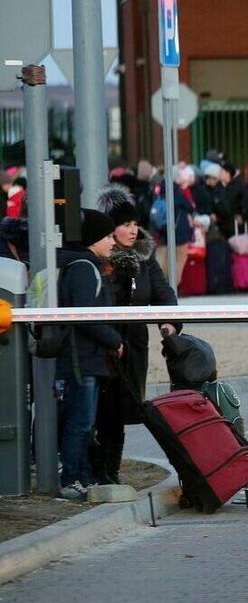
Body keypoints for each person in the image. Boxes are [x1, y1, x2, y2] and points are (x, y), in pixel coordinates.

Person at [93, 185, 179, 485]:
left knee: (121, 412)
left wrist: (169, 323)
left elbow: (163, 293)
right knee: (100, 411)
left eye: (134, 224)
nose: (132, 230)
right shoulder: (99, 258)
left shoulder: (144, 258)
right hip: (103, 345)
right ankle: (96, 472)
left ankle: (111, 473)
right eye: (124, 225)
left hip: (133, 346)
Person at [55, 209, 124, 501]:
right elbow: (87, 316)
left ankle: (83, 477)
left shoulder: (90, 266)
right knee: (80, 422)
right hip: (80, 359)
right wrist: (114, 340)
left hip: (88, 359)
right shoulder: (84, 269)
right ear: (94, 238)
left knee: (85, 422)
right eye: (108, 236)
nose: (113, 241)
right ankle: (70, 479)